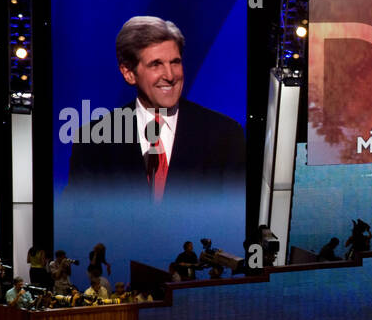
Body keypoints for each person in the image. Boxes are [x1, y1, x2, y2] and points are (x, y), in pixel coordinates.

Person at [66, 16, 246, 202]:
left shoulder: (225, 135)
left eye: (175, 62)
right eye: (156, 64)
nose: (170, 75)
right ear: (128, 73)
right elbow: (78, 221)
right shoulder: (94, 141)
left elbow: (234, 219)